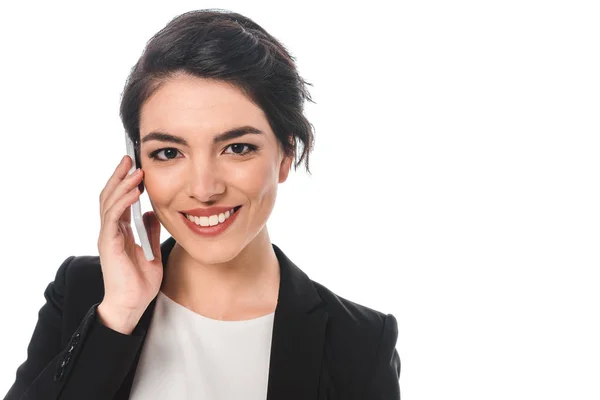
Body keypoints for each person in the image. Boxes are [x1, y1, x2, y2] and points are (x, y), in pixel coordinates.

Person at [4, 8, 400, 400]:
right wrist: (118, 317)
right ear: (137, 163)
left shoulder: (360, 345)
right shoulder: (85, 293)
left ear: (285, 154)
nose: (204, 188)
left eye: (237, 147)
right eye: (168, 152)